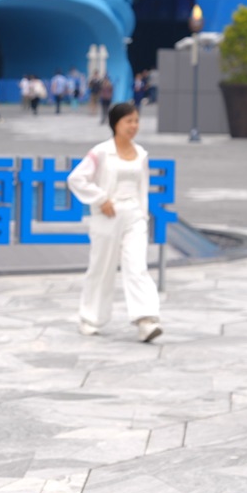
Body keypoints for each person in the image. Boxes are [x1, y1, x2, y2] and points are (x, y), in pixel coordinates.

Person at [67, 102, 162, 343]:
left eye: (136, 121)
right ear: (115, 124)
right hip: (108, 216)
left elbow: (142, 187)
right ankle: (90, 318)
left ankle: (146, 320)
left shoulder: (141, 154)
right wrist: (100, 199)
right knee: (102, 267)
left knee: (137, 266)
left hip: (134, 216)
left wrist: (142, 215)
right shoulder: (100, 152)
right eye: (128, 121)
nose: (134, 126)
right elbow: (76, 178)